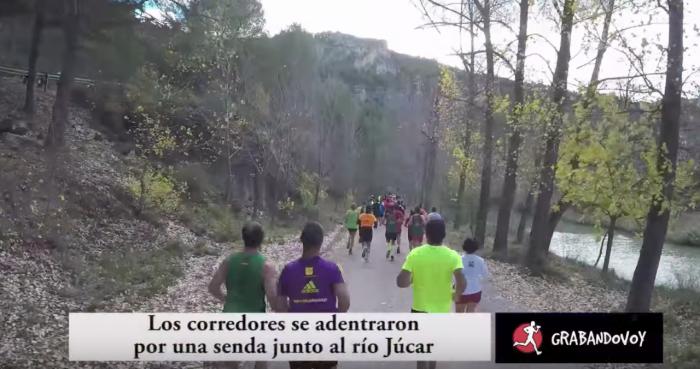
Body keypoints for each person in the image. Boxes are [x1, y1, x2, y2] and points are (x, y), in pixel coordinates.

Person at [277, 222, 350, 369]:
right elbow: (345, 301)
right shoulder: (332, 269)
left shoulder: (288, 270)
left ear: (302, 240)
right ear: (321, 242)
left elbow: (280, 306)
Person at [396, 219, 466, 369]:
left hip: (419, 308)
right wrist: (457, 295)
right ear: (444, 235)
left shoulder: (416, 254)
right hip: (441, 309)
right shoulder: (453, 256)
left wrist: (410, 278)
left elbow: (401, 282)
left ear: (426, 234)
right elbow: (462, 281)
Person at [208, 222, 277, 369]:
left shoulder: (228, 261)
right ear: (261, 239)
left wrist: (226, 298)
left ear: (243, 238)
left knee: (231, 361)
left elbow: (213, 287)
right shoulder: (266, 266)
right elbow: (272, 296)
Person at [456, 238, 489, 313]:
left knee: (459, 315)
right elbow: (486, 275)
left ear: (464, 247)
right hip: (475, 291)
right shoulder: (480, 260)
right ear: (476, 248)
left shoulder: (458, 259)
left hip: (461, 291)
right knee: (470, 313)